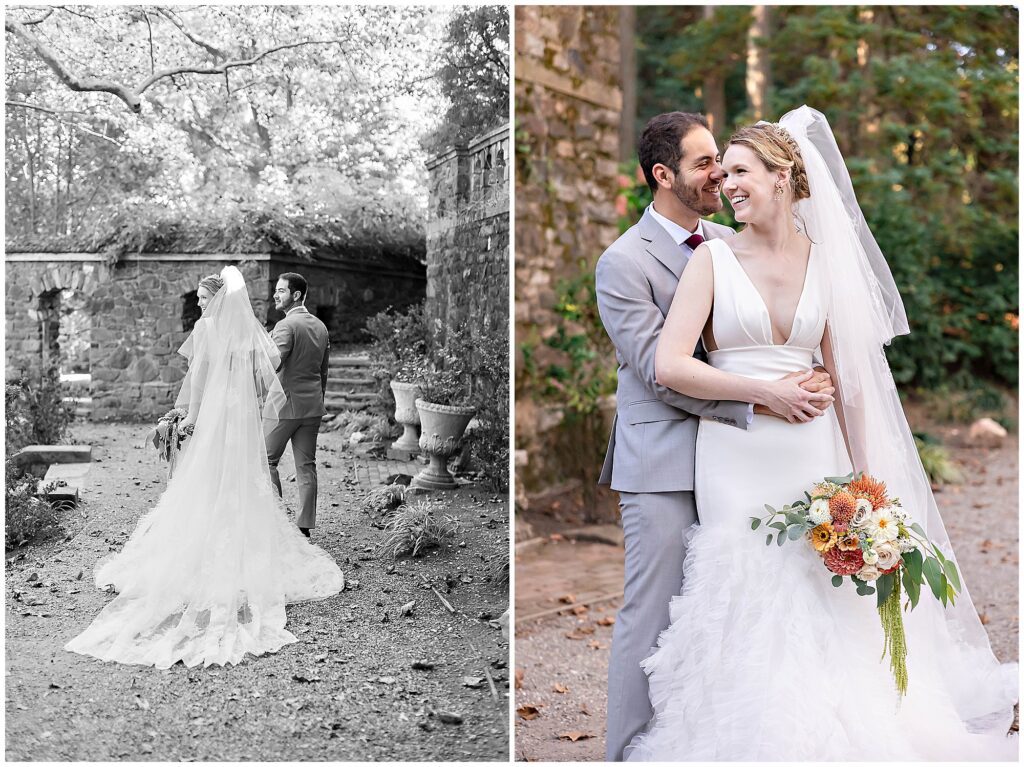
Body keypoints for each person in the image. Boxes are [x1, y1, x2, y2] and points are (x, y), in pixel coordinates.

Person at [625, 107, 1017, 760]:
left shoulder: (826, 265)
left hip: (812, 453)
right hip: (738, 453)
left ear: (783, 178)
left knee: (824, 586)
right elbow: (670, 364)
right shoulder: (711, 261)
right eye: (723, 173)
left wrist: (870, 485)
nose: (727, 182)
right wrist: (766, 390)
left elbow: (853, 388)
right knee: (748, 583)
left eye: (742, 171)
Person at [594, 111, 835, 761]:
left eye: (724, 164)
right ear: (663, 175)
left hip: (742, 453)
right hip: (667, 457)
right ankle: (628, 751)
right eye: (705, 164)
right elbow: (659, 372)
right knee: (654, 613)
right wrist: (766, 398)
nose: (718, 176)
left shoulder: (730, 242)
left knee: (733, 608)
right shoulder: (623, 263)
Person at [65, 266, 344, 669]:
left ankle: (206, 549)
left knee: (208, 481)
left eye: (201, 298)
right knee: (247, 478)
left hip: (213, 420)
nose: (197, 303)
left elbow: (197, 381)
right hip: (240, 418)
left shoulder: (208, 330)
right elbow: (265, 374)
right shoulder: (248, 332)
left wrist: (190, 418)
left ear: (217, 298)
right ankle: (251, 543)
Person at [265, 272, 330, 538]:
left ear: (296, 295)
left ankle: (276, 520)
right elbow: (324, 372)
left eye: (280, 291)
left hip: (284, 406)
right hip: (312, 406)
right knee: (307, 465)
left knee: (265, 461)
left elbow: (273, 363)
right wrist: (318, 398)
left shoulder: (286, 326)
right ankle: (304, 526)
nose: (275, 295)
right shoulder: (321, 327)